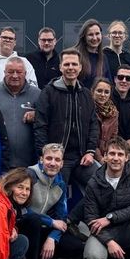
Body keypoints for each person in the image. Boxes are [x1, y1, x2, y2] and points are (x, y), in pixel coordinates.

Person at [34, 49, 99, 189]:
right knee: (57, 193)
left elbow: (94, 124)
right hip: (57, 158)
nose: (70, 67)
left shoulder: (86, 94)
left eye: (74, 64)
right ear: (60, 67)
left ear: (80, 67)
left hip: (82, 157)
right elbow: (40, 125)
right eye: (67, 64)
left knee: (101, 185)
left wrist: (90, 151)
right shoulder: (48, 92)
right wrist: (44, 154)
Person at [20, 143, 88, 259]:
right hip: (24, 226)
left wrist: (52, 238)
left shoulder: (61, 184)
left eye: (57, 160)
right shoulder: (29, 175)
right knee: (34, 221)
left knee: (76, 246)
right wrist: (50, 221)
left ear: (62, 164)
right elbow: (21, 209)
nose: (52, 163)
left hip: (43, 229)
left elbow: (61, 219)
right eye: (49, 158)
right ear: (41, 159)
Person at [0, 58, 41, 169]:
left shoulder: (37, 94)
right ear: (4, 72)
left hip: (29, 163)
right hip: (0, 163)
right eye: (11, 72)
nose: (15, 75)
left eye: (19, 72)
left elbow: (47, 119)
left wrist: (37, 115)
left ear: (25, 73)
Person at [104, 21, 130, 99]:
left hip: (128, 101)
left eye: (120, 33)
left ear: (125, 36)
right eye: (114, 32)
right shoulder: (102, 56)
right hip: (107, 100)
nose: (117, 35)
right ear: (109, 36)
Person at [75, 19, 111, 88]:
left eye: (97, 34)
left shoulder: (103, 58)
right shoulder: (76, 56)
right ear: (84, 37)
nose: (94, 38)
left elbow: (109, 84)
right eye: (90, 35)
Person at [92, 78, 119, 164]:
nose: (103, 95)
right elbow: (89, 138)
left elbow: (114, 137)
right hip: (91, 153)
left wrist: (110, 155)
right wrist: (100, 158)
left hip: (108, 152)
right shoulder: (88, 108)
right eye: (99, 91)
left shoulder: (114, 112)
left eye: (106, 92)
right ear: (92, 91)